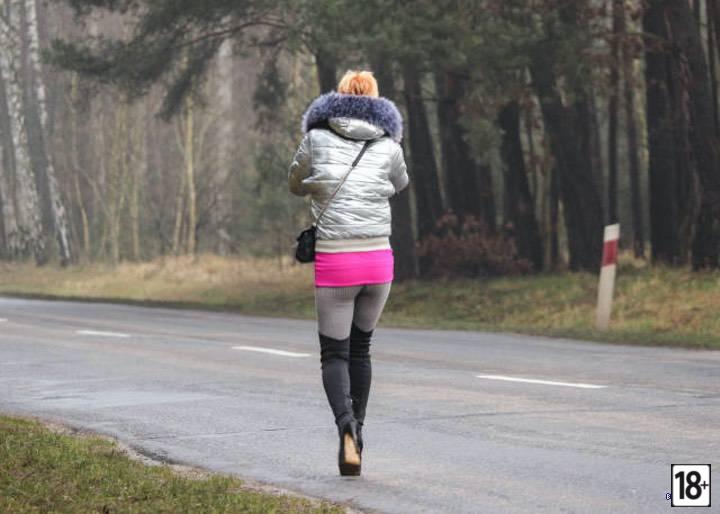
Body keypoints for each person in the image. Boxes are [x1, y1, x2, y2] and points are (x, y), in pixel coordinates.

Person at [288, 70, 409, 476]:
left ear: (338, 98)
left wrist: (318, 183)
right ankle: (359, 430)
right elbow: (401, 182)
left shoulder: (316, 137)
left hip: (337, 260)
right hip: (378, 260)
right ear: (375, 101)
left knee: (335, 353)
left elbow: (295, 182)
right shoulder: (388, 143)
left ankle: (346, 427)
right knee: (361, 349)